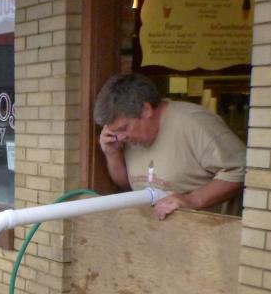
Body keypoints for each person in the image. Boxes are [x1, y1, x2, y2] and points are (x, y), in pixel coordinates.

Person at [94, 73, 245, 220]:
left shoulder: (194, 123)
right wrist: (112, 154)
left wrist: (192, 200)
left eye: (123, 128)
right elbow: (130, 184)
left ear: (146, 110)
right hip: (157, 236)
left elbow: (242, 169)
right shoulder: (127, 137)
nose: (120, 137)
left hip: (209, 236)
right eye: (115, 131)